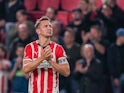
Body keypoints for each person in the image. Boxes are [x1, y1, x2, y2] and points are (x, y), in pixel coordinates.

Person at [23, 16, 70, 93]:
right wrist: (41, 58)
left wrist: (50, 61)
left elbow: (66, 72)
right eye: (45, 26)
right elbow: (26, 69)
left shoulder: (58, 48)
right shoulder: (30, 48)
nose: (49, 28)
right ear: (38, 31)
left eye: (50, 26)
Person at [108, 28, 124, 93]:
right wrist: (115, 77)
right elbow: (110, 63)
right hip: (116, 76)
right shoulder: (111, 48)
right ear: (119, 37)